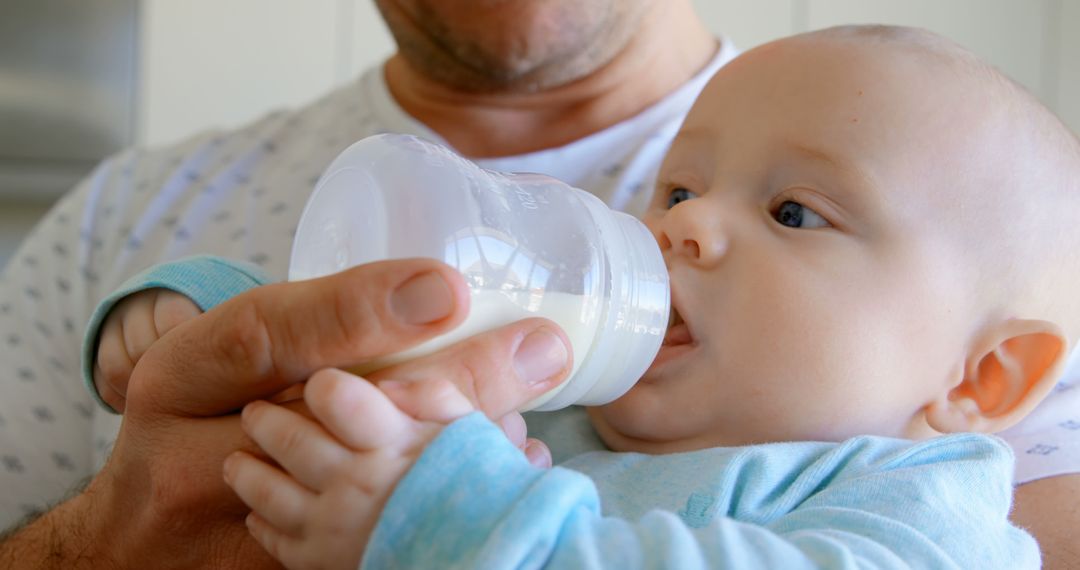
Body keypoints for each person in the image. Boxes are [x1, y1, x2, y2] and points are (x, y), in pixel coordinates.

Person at [0, 0, 1074, 566]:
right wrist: (214, 317)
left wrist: (450, 523)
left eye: (794, 213)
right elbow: (350, 366)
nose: (684, 227)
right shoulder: (565, 423)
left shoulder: (926, 518)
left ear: (982, 377)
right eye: (676, 191)